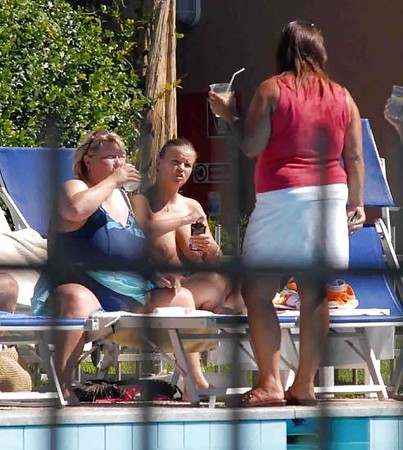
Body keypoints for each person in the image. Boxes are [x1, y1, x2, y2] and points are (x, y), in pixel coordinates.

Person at [208, 20, 365, 406]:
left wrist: (229, 115)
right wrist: (357, 203)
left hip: (284, 196)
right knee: (314, 293)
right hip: (331, 196)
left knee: (257, 291)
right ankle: (304, 386)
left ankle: (270, 384)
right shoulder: (343, 96)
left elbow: (251, 145)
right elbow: (355, 157)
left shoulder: (272, 89)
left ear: (284, 50)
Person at [32, 130, 210, 404]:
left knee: (182, 297)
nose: (118, 163)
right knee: (75, 298)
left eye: (121, 156)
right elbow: (76, 211)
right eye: (110, 157)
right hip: (83, 284)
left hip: (127, 290)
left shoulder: (123, 199)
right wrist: (114, 179)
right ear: (88, 160)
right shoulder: (74, 187)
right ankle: (63, 384)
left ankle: (193, 380)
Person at [134, 138, 245, 315]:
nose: (181, 169)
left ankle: (217, 308)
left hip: (198, 282)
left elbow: (214, 260)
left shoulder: (192, 206)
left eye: (187, 165)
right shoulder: (141, 202)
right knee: (214, 282)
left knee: (243, 276)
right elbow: (141, 230)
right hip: (164, 288)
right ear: (159, 163)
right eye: (175, 162)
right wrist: (184, 220)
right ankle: (216, 308)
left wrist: (212, 248)